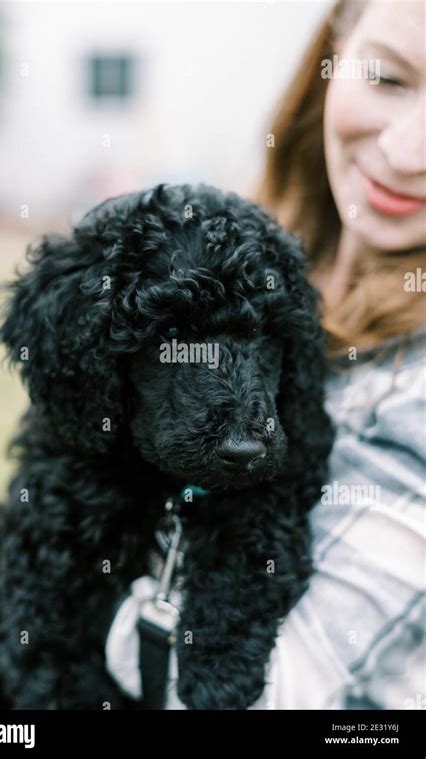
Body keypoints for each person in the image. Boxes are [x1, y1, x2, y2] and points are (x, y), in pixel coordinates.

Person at [252, 0, 425, 709]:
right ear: (336, 47)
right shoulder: (254, 259)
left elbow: (269, 692)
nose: (407, 152)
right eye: (387, 77)